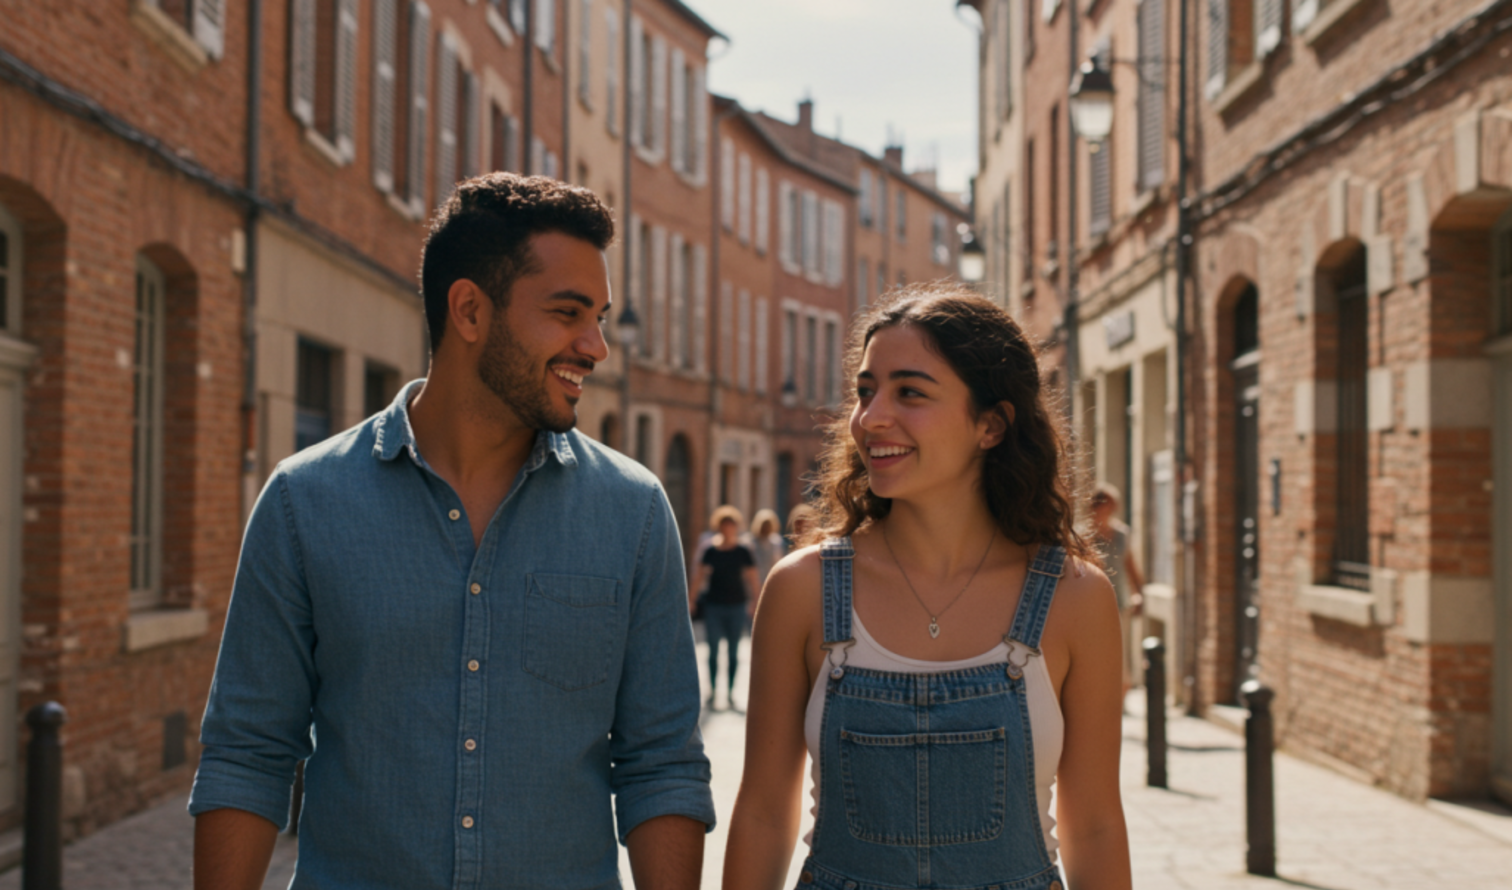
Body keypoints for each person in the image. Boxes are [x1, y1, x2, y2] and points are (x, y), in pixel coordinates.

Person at [190, 174, 713, 890]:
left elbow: (663, 767)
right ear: (469, 310)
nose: (596, 346)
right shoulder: (302, 502)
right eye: (567, 313)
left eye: (599, 316)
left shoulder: (634, 511)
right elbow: (247, 754)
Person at [725, 286, 1132, 890]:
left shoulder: (1076, 597)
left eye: (909, 392)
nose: (871, 418)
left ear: (991, 425)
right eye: (866, 392)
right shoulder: (802, 589)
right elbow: (762, 812)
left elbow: (1095, 825)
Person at [694, 506, 759, 712]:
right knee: (712, 652)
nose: (728, 529)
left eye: (731, 525)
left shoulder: (743, 551)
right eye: (724, 525)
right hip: (714, 605)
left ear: (736, 527)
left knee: (733, 652)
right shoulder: (710, 550)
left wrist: (757, 602)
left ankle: (730, 693)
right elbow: (699, 576)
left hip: (737, 606)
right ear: (719, 527)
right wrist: (691, 599)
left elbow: (752, 579)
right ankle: (712, 692)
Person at [1091, 484, 1145, 702]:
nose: (1105, 510)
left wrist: (1139, 593)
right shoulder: (1084, 534)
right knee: (1095, 651)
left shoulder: (1122, 534)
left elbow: (1130, 564)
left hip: (1118, 602)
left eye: (1109, 505)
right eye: (1101, 505)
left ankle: (1119, 697)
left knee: (1119, 652)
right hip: (1091, 604)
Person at [749, 508, 786, 588]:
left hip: (771, 581)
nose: (766, 528)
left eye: (768, 525)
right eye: (764, 525)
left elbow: (777, 562)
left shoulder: (776, 542)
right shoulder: (751, 543)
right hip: (755, 583)